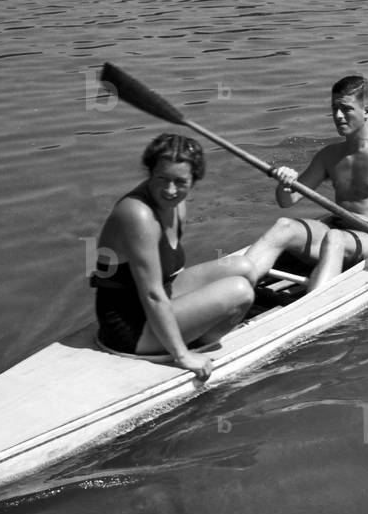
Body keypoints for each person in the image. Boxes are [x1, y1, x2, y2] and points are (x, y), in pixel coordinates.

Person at [90, 133, 256, 380]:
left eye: (180, 182)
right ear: (150, 173)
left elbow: (171, 271)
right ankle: (192, 346)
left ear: (193, 181)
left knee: (244, 268)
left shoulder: (177, 205)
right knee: (241, 291)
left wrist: (200, 307)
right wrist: (182, 356)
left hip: (158, 300)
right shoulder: (137, 214)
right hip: (130, 329)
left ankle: (195, 331)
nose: (169, 190)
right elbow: (152, 295)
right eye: (162, 179)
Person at [245, 76, 368, 292]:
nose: (338, 116)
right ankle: (234, 285)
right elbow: (287, 201)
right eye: (334, 108)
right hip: (337, 229)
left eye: (346, 109)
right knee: (284, 226)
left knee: (335, 238)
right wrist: (285, 184)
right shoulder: (329, 155)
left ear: (367, 111)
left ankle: (311, 307)